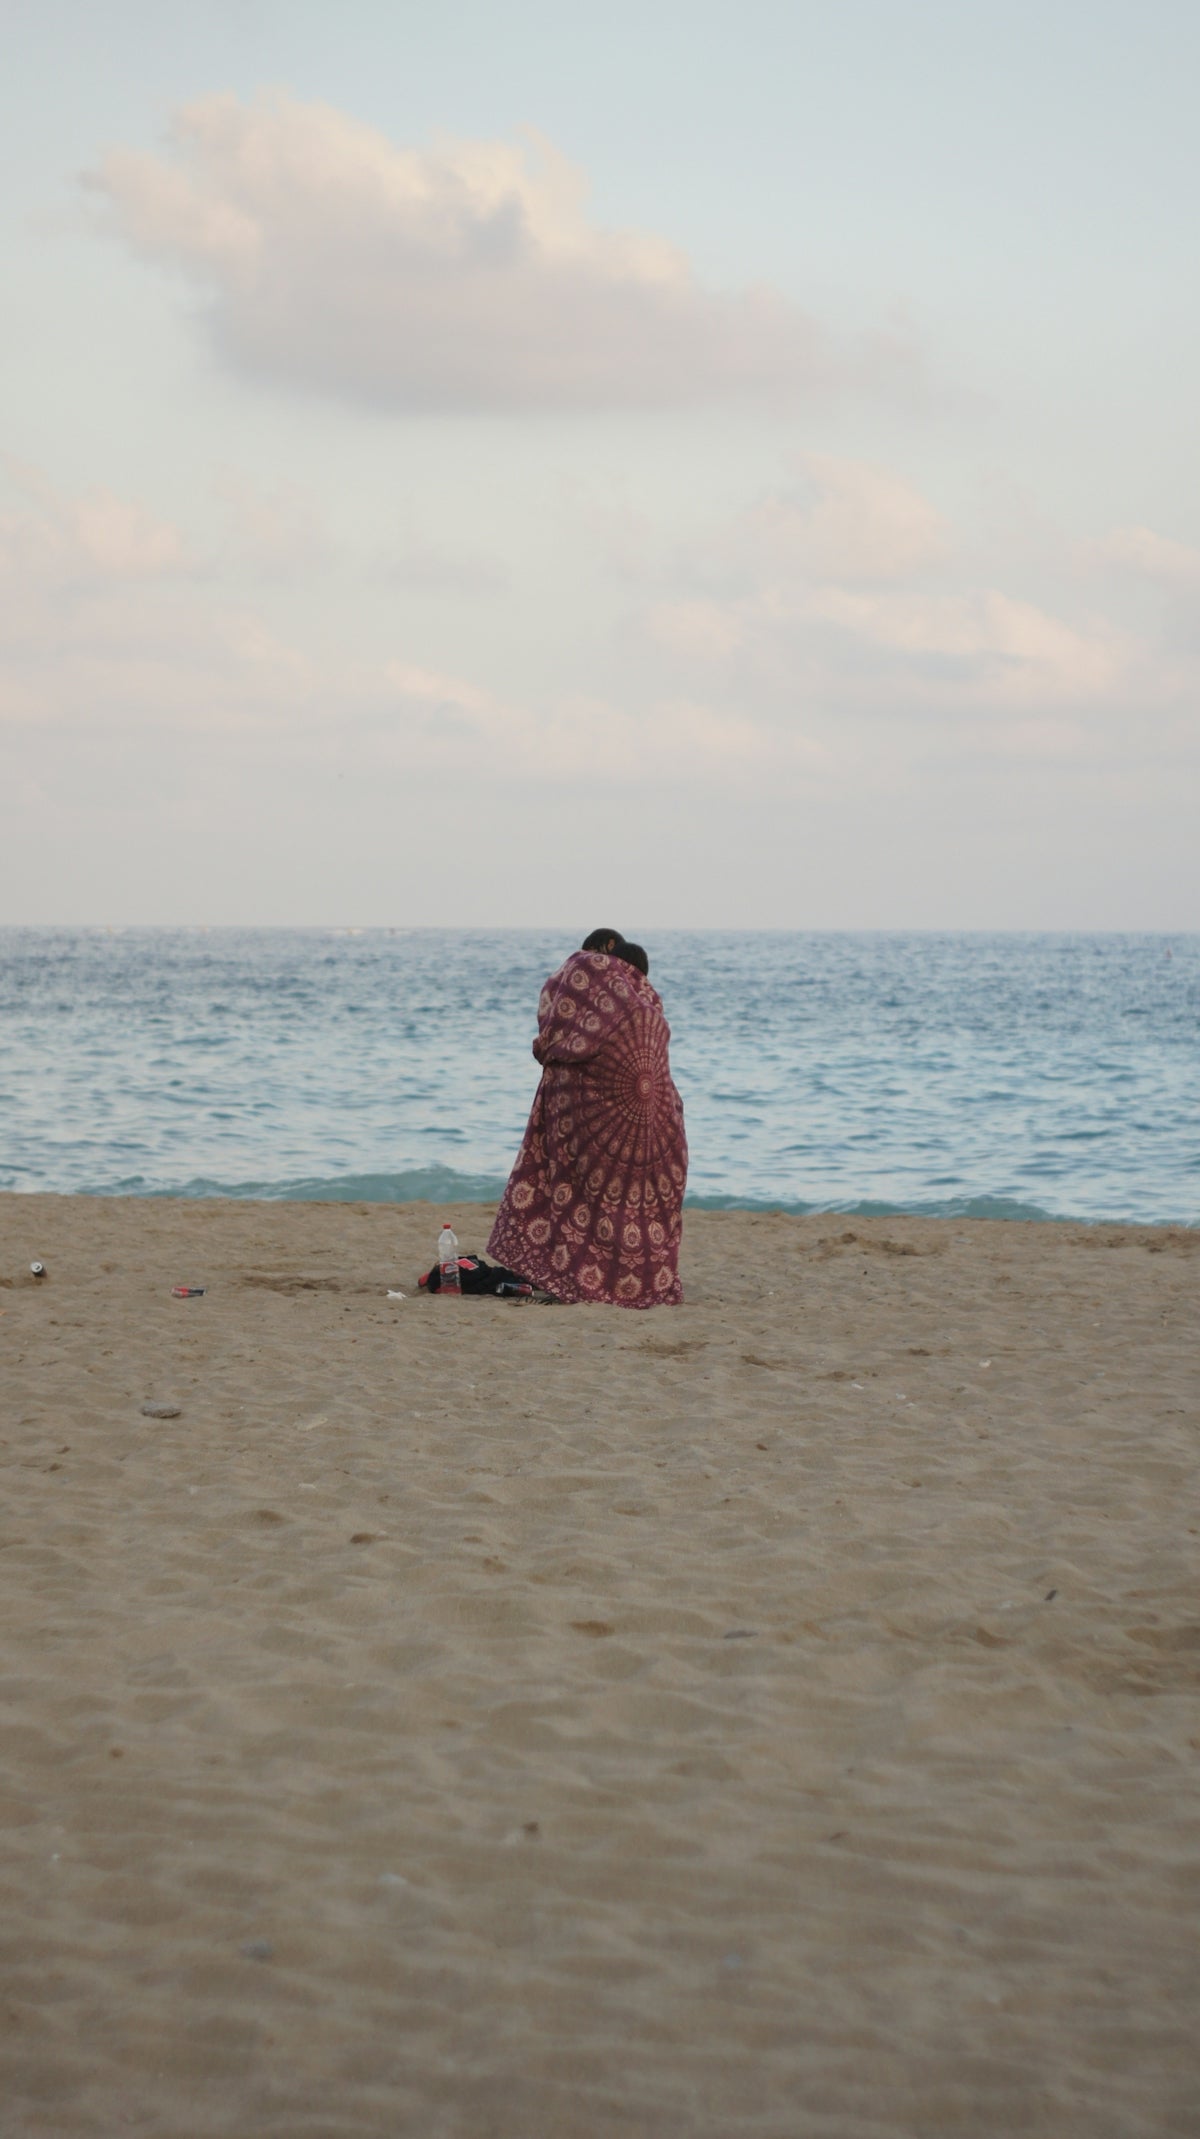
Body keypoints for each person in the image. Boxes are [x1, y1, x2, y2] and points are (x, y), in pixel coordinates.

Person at [488, 932, 687, 1306]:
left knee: (582, 1200)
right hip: (654, 1127)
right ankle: (637, 1284)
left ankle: (584, 1279)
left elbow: (556, 1039)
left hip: (598, 1124)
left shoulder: (593, 1000)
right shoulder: (651, 1013)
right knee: (634, 1209)